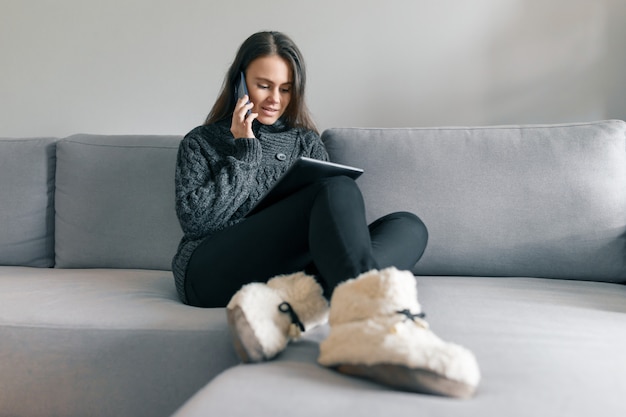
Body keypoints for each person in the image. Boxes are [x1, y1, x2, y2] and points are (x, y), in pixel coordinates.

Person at [172, 31, 480, 398]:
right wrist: (245, 150)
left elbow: (330, 224)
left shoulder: (305, 141)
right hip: (208, 271)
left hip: (284, 268)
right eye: (263, 86)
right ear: (239, 83)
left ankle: (295, 303)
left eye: (285, 89)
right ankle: (375, 326)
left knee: (408, 225)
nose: (274, 99)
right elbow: (197, 221)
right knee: (335, 187)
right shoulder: (200, 142)